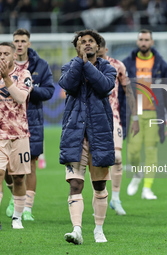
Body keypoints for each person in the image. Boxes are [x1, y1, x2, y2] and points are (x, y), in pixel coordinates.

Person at [59, 29, 116, 244]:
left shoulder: (107, 68)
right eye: (83, 42)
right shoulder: (69, 67)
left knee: (99, 186)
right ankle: (77, 230)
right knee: (75, 184)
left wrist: (86, 65)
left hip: (99, 134)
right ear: (77, 47)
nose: (87, 44)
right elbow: (68, 85)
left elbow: (104, 87)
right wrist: (79, 63)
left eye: (91, 41)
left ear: (98, 46)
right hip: (75, 134)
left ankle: (98, 229)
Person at [0, 28, 55, 221]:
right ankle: (15, 195)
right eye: (16, 41)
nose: (19, 44)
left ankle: (27, 207)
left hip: (31, 122)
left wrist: (28, 89)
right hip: (5, 124)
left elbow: (49, 91)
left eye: (23, 41)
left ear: (29, 43)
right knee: (4, 168)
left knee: (30, 166)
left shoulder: (41, 66)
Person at [0, 42, 32, 230]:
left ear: (13, 56)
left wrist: (6, 79)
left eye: (6, 54)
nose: (2, 57)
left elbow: (21, 98)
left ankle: (17, 218)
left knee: (18, 178)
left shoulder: (24, 75)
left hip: (19, 135)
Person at [123, 29, 167, 200]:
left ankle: (147, 188)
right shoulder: (128, 63)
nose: (143, 42)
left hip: (153, 114)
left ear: (152, 42)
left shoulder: (160, 64)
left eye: (146, 39)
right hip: (134, 115)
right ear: (138, 42)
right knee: (133, 152)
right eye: (141, 39)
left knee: (151, 151)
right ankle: (137, 174)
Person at [96, 36, 139, 215]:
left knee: (118, 158)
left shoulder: (117, 66)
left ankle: (115, 198)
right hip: (93, 120)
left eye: (99, 51)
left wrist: (135, 117)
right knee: (97, 163)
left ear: (105, 50)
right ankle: (99, 199)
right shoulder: (86, 67)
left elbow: (128, 91)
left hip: (112, 117)